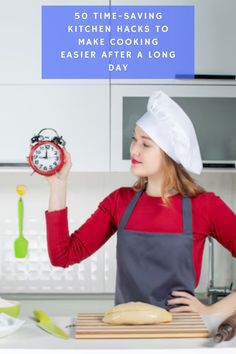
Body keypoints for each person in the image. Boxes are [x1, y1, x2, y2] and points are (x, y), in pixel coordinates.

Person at [45, 90, 236, 316]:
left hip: (181, 334)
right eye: (134, 139)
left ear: (169, 154)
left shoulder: (205, 206)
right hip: (128, 332)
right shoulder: (119, 202)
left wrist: (211, 311)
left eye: (146, 144)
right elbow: (62, 256)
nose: (134, 149)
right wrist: (58, 184)